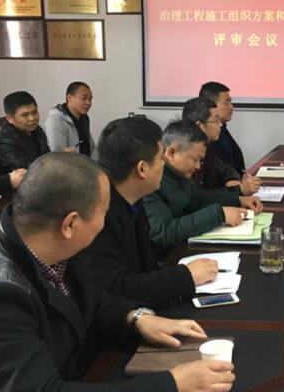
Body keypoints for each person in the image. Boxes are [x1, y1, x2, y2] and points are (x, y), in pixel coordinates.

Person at [0, 152, 235, 392]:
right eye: (104, 212)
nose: (106, 222)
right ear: (70, 224)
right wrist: (171, 389)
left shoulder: (37, 234)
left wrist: (136, 318)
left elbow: (84, 297)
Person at [80, 117, 218, 310]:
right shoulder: (97, 215)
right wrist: (185, 276)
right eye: (161, 158)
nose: (164, 165)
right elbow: (117, 288)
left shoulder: (132, 199)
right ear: (142, 169)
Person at [144, 119, 263, 251]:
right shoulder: (151, 181)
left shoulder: (179, 173)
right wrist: (219, 215)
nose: (198, 166)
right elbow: (162, 232)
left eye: (200, 161)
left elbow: (198, 199)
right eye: (194, 159)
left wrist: (238, 199)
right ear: (171, 153)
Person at [182, 96, 261, 195]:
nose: (220, 125)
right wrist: (238, 191)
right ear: (199, 126)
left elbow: (226, 169)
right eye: (215, 120)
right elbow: (198, 198)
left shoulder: (208, 147)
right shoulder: (184, 155)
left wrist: (231, 179)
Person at [0, 91, 50, 173]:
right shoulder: (3, 142)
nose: (32, 118)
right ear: (10, 118)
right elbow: (26, 171)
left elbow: (46, 156)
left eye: (34, 112)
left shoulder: (34, 128)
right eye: (25, 115)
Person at [198, 82, 245, 174]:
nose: (231, 107)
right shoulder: (203, 137)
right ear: (211, 104)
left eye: (231, 102)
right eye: (226, 103)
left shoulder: (223, 129)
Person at [44, 81, 96, 155]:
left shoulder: (84, 118)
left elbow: (91, 147)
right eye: (84, 98)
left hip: (85, 161)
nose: (89, 103)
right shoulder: (55, 120)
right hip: (70, 162)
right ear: (69, 98)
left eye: (90, 99)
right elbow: (57, 155)